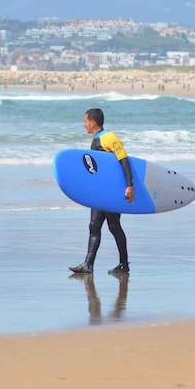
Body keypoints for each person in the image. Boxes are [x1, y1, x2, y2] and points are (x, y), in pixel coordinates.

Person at [69, 108, 133, 275]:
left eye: (85, 121)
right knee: (94, 226)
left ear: (93, 122)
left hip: (111, 192)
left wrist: (130, 185)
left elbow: (124, 160)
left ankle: (124, 264)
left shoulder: (110, 138)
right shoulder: (95, 140)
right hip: (99, 192)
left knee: (114, 226)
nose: (84, 125)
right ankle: (88, 265)